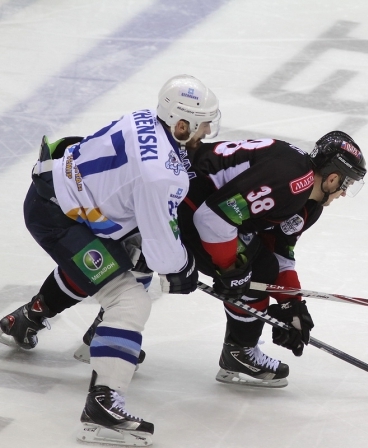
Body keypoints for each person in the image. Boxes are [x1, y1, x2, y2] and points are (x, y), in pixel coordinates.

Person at [0, 74, 220, 446]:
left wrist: (166, 258)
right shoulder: (161, 175)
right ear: (181, 125)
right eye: (202, 125)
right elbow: (165, 253)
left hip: (60, 196)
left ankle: (30, 319)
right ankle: (102, 407)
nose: (207, 132)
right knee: (130, 300)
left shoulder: (144, 117)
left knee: (129, 262)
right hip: (60, 218)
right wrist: (185, 268)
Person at [177, 130, 367, 387]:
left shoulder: (307, 200)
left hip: (194, 197)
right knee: (255, 270)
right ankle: (240, 352)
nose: (343, 193)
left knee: (260, 266)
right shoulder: (292, 183)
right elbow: (212, 219)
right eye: (346, 184)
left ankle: (239, 348)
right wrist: (230, 269)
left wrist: (292, 305)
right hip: (181, 198)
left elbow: (278, 250)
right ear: (333, 178)